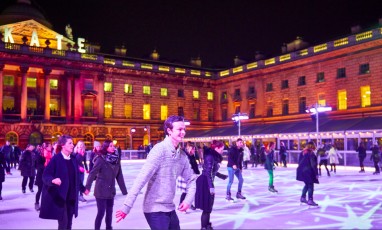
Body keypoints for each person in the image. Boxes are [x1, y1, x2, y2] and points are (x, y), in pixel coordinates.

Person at [115, 115, 197, 230]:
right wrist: (127, 206)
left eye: (184, 129)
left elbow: (191, 179)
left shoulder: (182, 156)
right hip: (154, 208)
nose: (183, 132)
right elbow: (141, 179)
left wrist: (188, 200)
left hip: (169, 208)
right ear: (169, 131)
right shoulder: (159, 150)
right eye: (179, 129)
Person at [39, 135, 86, 230]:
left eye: (73, 143)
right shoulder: (56, 159)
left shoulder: (73, 159)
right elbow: (45, 175)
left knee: (69, 225)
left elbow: (76, 178)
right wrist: (52, 180)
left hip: (72, 197)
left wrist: (83, 189)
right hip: (61, 198)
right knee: (63, 225)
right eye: (70, 143)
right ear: (63, 145)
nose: (73, 145)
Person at [84, 140, 127, 230]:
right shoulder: (100, 159)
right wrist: (87, 187)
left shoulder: (116, 159)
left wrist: (124, 191)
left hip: (111, 191)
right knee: (101, 212)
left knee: (109, 212)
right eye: (110, 146)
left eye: (113, 145)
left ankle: (108, 228)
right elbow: (92, 174)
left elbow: (119, 175)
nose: (113, 147)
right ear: (106, 147)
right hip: (100, 190)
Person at [195, 140, 227, 230]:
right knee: (206, 207)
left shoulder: (213, 156)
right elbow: (208, 173)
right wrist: (211, 187)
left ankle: (207, 224)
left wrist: (221, 176)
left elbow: (212, 171)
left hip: (208, 181)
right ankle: (204, 227)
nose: (222, 151)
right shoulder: (210, 156)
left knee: (209, 206)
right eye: (221, 149)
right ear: (216, 148)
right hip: (205, 182)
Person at [177, 142, 200, 212]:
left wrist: (197, 172)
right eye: (193, 149)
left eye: (194, 150)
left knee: (191, 191)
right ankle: (181, 205)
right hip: (185, 175)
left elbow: (195, 165)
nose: (194, 151)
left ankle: (188, 203)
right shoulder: (185, 156)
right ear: (189, 148)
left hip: (192, 175)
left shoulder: (192, 155)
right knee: (185, 191)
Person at [296, 141, 319, 206]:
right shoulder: (311, 154)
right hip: (308, 172)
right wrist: (316, 173)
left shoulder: (302, 153)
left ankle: (303, 197)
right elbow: (313, 165)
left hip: (301, 171)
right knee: (310, 185)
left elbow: (299, 162)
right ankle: (310, 200)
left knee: (307, 184)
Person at [34, 142, 53, 211]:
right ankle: (36, 203)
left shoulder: (50, 155)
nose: (51, 147)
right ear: (46, 147)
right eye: (50, 146)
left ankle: (45, 205)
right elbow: (38, 166)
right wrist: (45, 167)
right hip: (41, 175)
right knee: (40, 190)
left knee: (47, 191)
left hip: (48, 176)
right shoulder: (40, 155)